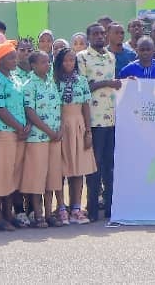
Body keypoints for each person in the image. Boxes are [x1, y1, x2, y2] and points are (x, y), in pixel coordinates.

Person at [77, 23, 121, 222]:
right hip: (93, 120)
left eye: (102, 33)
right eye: (95, 33)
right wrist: (107, 83)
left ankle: (111, 208)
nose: (100, 37)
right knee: (94, 166)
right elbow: (83, 87)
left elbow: (114, 85)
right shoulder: (82, 57)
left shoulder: (111, 57)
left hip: (111, 118)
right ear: (88, 37)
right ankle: (92, 209)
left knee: (109, 166)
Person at [0, 41, 27, 231]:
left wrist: (23, 128)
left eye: (14, 55)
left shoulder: (15, 78)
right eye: (10, 57)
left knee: (11, 175)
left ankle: (9, 215)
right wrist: (19, 127)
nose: (15, 59)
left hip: (16, 134)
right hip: (1, 133)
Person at [20, 51, 64, 228]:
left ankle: (49, 213)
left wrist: (59, 129)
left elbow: (58, 106)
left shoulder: (51, 82)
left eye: (48, 61)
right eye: (43, 62)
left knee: (52, 177)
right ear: (33, 65)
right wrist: (48, 131)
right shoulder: (29, 85)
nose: (47, 65)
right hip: (38, 138)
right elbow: (30, 112)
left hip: (54, 137)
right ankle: (38, 216)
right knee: (37, 177)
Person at [54, 48, 96, 225]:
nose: (69, 63)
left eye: (72, 60)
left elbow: (86, 106)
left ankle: (76, 207)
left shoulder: (81, 81)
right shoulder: (53, 81)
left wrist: (88, 131)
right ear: (59, 62)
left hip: (78, 124)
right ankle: (61, 208)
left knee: (78, 169)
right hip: (60, 124)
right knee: (60, 169)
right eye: (65, 60)